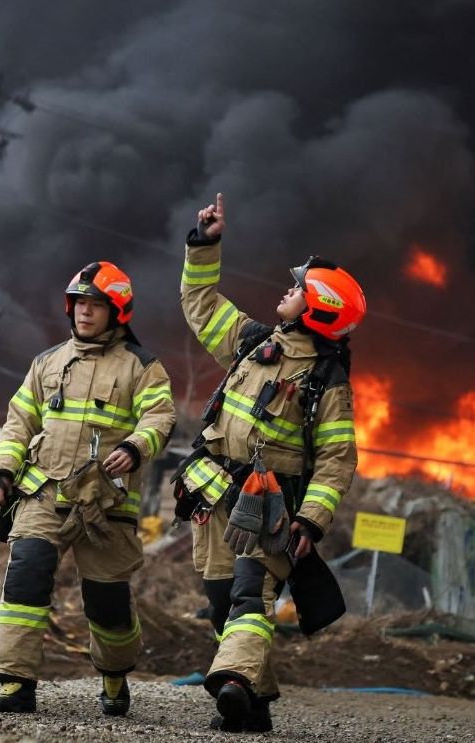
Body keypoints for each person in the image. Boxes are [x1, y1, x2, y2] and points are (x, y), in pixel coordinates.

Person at [174, 193, 363, 732]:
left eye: (298, 288)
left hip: (272, 509)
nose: (288, 289)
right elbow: (200, 304)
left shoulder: (327, 382)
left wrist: (310, 521)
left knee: (249, 598)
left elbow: (337, 460)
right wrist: (204, 244)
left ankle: (233, 683)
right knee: (221, 603)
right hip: (216, 493)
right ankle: (253, 706)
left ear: (317, 308)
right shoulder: (254, 343)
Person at [0, 261, 176, 715]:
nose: (85, 312)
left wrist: (134, 447)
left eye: (96, 305)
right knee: (25, 577)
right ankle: (14, 682)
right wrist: (1, 469)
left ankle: (114, 674)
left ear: (117, 312)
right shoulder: (47, 362)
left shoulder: (142, 367)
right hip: (43, 492)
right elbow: (18, 422)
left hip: (105, 503)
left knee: (107, 605)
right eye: (79, 303)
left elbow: (160, 417)